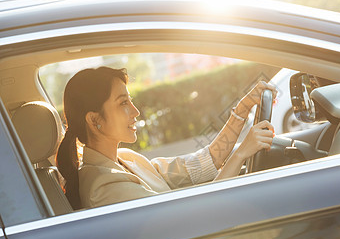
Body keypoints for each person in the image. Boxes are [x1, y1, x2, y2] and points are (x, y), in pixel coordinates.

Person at [56, 66, 277, 209]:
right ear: (95, 120)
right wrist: (240, 154)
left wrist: (242, 109)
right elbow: (193, 221)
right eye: (123, 103)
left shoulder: (125, 159)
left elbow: (201, 164)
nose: (136, 111)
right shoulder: (104, 188)